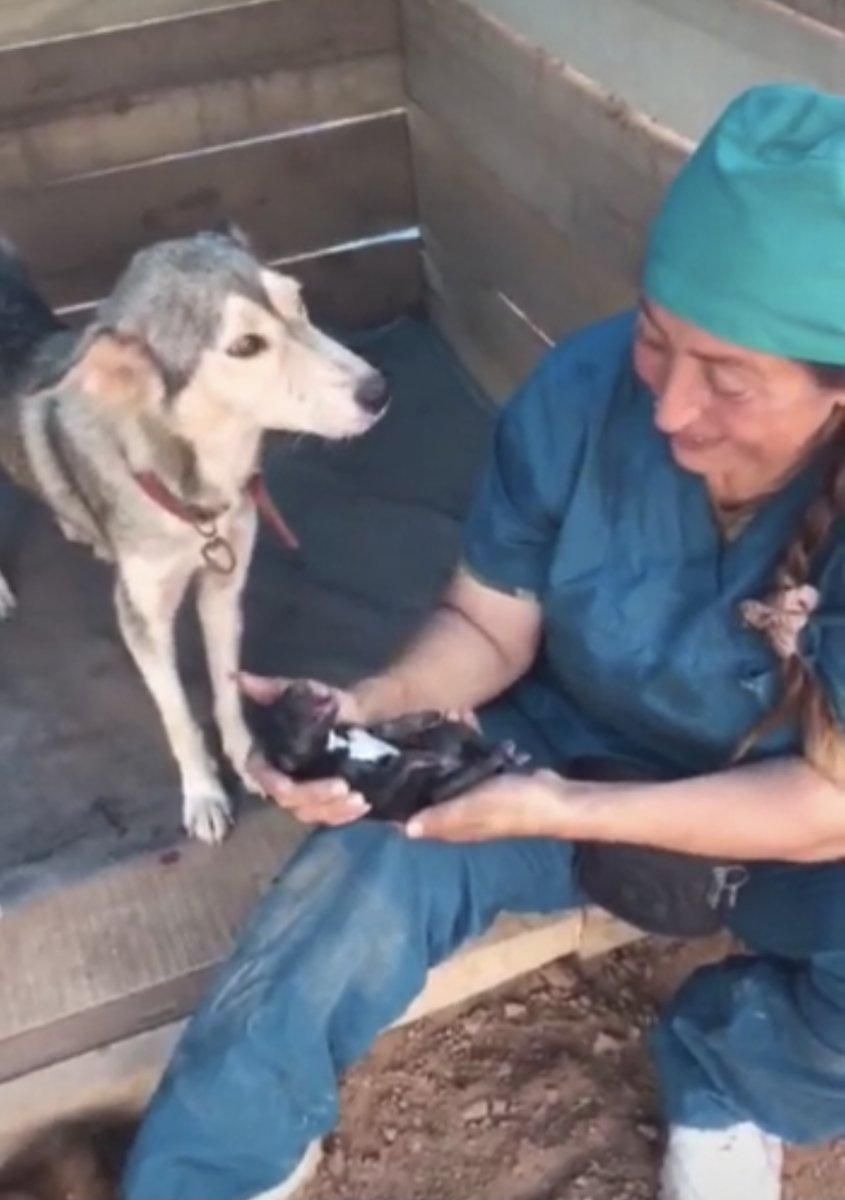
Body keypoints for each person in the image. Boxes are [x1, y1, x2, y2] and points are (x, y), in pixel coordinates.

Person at [122, 83, 845, 1200]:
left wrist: (564, 811)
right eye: (657, 342)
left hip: (768, 817)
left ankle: (729, 1081)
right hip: (552, 740)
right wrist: (374, 711)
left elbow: (822, 804)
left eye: (728, 380)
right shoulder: (579, 392)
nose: (663, 410)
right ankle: (210, 1171)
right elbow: (483, 623)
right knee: (355, 880)